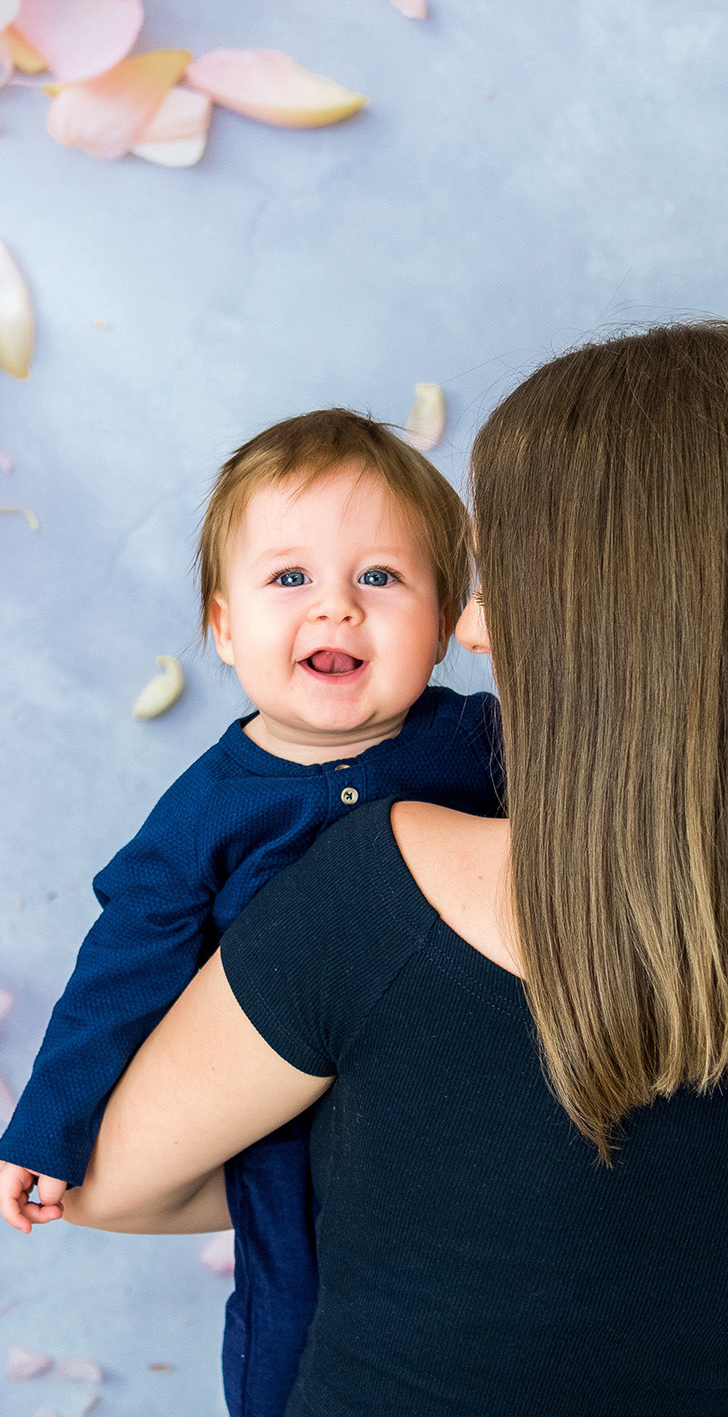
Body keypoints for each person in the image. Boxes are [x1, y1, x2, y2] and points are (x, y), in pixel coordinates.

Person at [60, 323, 728, 1416]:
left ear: (592, 616)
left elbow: (102, 1179)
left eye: (492, 573)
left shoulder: (376, 894)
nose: (465, 623)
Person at [0, 409, 504, 1417]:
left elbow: (605, 764)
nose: (336, 611)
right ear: (224, 627)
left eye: (379, 578)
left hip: (466, 1093)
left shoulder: (485, 743)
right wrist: (46, 1128)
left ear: (448, 622)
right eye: (289, 580)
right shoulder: (205, 812)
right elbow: (119, 972)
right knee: (290, 1325)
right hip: (285, 1119)